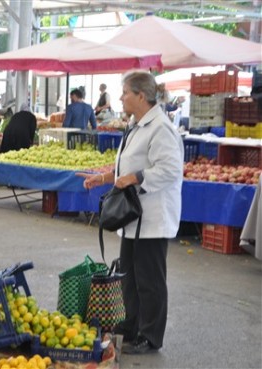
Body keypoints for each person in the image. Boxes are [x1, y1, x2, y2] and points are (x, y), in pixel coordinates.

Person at [82, 71, 183, 355]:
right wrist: (103, 178)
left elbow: (171, 170)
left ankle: (150, 336)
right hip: (134, 218)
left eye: (125, 92)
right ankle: (129, 325)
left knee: (149, 280)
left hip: (153, 218)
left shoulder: (161, 128)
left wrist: (136, 177)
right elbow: (126, 166)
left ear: (141, 95)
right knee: (128, 274)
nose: (121, 97)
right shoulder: (136, 124)